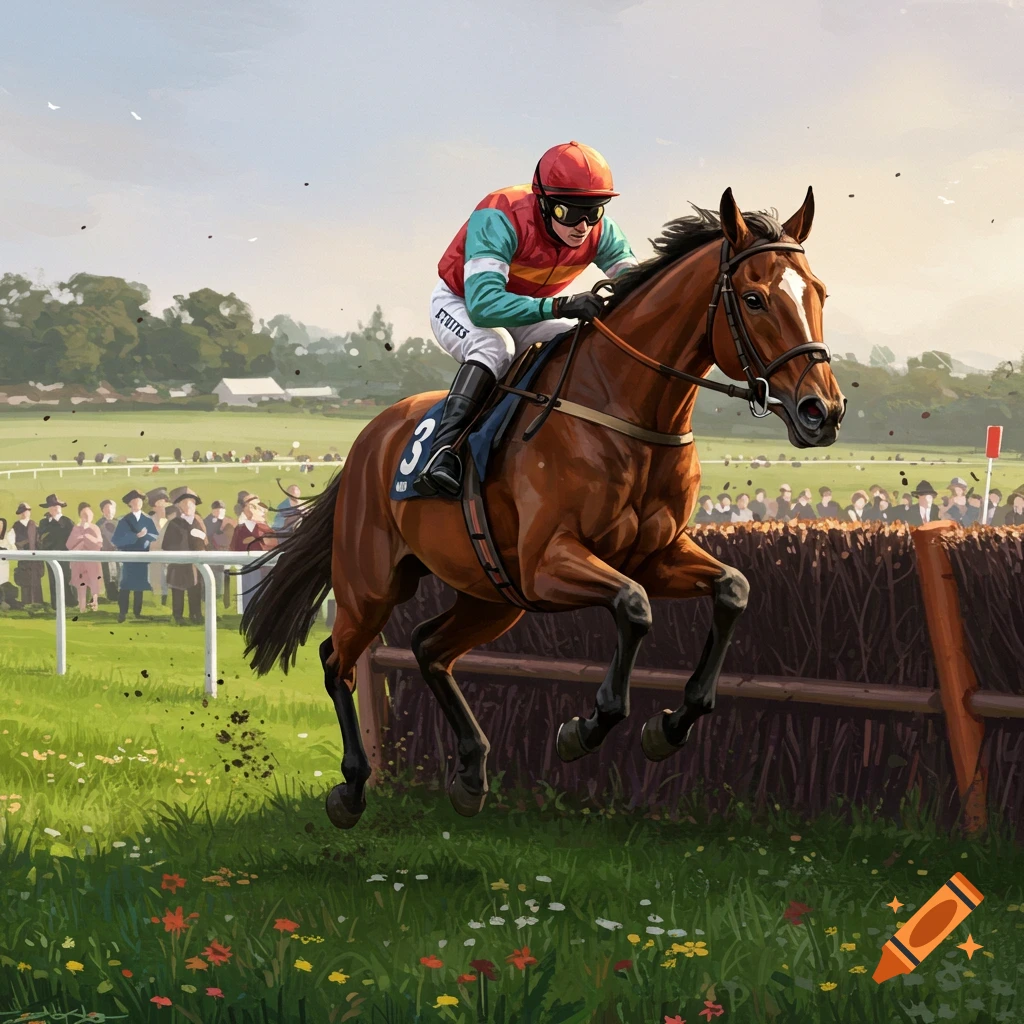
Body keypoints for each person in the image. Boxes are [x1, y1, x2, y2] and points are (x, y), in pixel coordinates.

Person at [414, 140, 639, 498]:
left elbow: (637, 287)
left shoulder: (600, 230)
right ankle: (444, 453)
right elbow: (484, 306)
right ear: (544, 202)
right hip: (461, 301)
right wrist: (560, 305)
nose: (582, 226)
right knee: (494, 345)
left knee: (577, 340)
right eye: (570, 212)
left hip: (526, 308)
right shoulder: (499, 214)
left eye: (593, 212)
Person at [162, 487, 208, 625]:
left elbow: (205, 543)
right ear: (180, 506)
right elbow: (166, 545)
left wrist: (201, 538)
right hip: (179, 563)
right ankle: (178, 616)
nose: (189, 507)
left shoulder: (198, 522)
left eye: (192, 504)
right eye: (186, 504)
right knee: (178, 590)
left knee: (195, 589)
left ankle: (196, 615)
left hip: (195, 563)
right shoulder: (174, 524)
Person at [112, 489, 159, 622]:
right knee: (125, 586)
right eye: (134, 501)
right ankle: (122, 613)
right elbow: (116, 540)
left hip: (142, 557)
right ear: (130, 504)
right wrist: (135, 536)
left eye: (139, 501)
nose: (137, 503)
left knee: (139, 586)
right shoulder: (124, 521)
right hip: (128, 558)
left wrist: (147, 536)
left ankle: (137, 612)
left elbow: (155, 535)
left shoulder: (147, 519)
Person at [230, 493, 277, 611]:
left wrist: (258, 541)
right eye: (251, 506)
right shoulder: (240, 529)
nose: (253, 510)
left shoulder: (266, 528)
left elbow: (273, 545)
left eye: (256, 507)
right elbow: (235, 547)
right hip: (248, 567)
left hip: (266, 567)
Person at [36, 493, 75, 609]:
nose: (56, 508)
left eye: (57, 505)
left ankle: (69, 601)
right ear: (49, 508)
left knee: (66, 577)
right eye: (53, 506)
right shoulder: (44, 522)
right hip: (50, 554)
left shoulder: (67, 521)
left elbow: (73, 537)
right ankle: (56, 604)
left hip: (65, 554)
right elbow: (41, 537)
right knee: (53, 579)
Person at [67, 503, 105, 612]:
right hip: (79, 562)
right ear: (80, 515)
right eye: (84, 514)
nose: (87, 516)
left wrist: (86, 537)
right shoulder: (76, 528)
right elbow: (70, 544)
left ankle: (94, 604)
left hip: (92, 561)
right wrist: (80, 540)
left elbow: (99, 544)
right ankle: (82, 607)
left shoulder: (95, 528)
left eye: (89, 514)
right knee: (81, 583)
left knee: (94, 582)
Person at [204, 500, 236, 609]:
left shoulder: (228, 521)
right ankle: (214, 602)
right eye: (217, 509)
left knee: (226, 578)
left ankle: (226, 602)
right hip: (212, 555)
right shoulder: (208, 522)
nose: (220, 512)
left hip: (226, 554)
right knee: (214, 579)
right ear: (213, 510)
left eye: (222, 509)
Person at [11, 503, 44, 605]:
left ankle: (37, 603)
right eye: (23, 511)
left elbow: (38, 541)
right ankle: (26, 603)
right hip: (24, 559)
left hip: (35, 559)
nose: (25, 513)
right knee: (25, 582)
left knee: (36, 581)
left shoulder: (34, 524)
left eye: (27, 511)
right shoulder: (16, 526)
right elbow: (12, 541)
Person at [146, 488, 171, 605]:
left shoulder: (171, 520)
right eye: (160, 505)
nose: (164, 508)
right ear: (154, 507)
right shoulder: (149, 521)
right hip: (155, 556)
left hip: (169, 555)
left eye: (166, 505)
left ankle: (166, 600)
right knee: (157, 579)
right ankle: (158, 601)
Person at [97, 498, 120, 599]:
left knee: (118, 573)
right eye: (106, 509)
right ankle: (111, 595)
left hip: (118, 553)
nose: (109, 512)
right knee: (108, 574)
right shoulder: (99, 524)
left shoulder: (119, 523)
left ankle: (119, 594)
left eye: (111, 509)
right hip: (105, 554)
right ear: (102, 511)